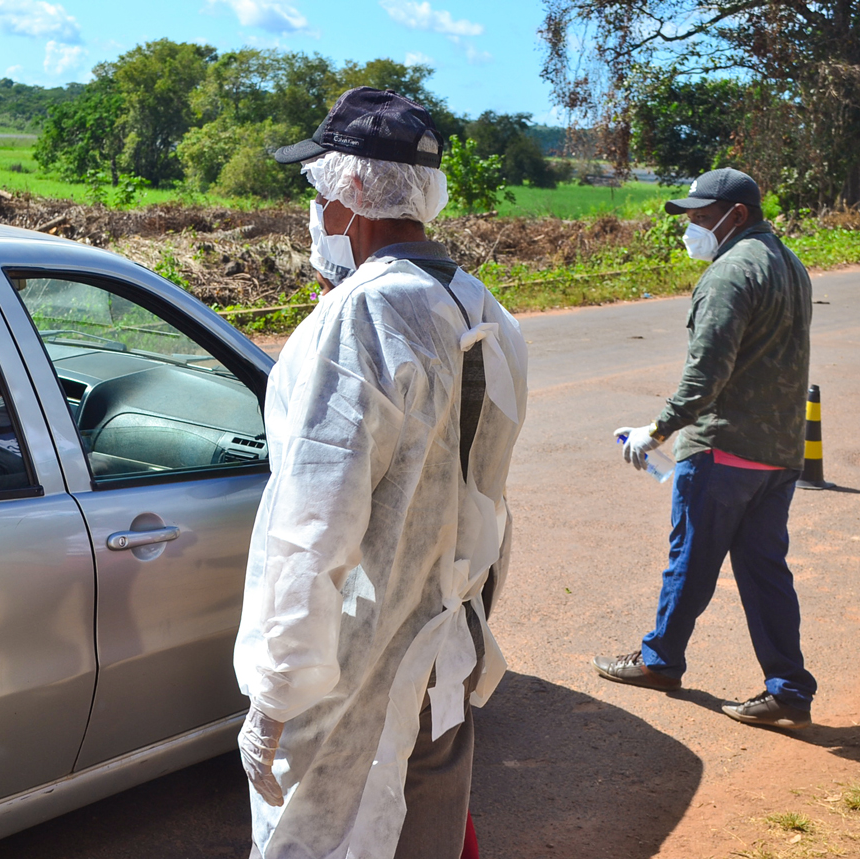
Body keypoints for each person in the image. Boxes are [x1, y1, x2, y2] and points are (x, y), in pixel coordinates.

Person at [233, 87, 528, 859]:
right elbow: (485, 507)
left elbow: (314, 525)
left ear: (355, 193)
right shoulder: (483, 310)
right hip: (445, 665)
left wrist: (275, 693)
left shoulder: (359, 318)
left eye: (321, 189)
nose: (316, 209)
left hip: (357, 683)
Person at [593, 168, 817, 730]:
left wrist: (658, 430)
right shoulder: (789, 264)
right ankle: (789, 691)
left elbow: (705, 374)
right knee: (766, 573)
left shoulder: (730, 273)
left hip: (723, 449)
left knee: (689, 561)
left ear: (734, 215)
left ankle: (659, 662)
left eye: (697, 216)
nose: (690, 227)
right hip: (778, 452)